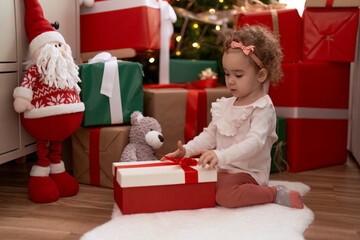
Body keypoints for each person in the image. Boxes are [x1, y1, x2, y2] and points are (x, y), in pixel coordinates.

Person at [163, 25, 303, 209]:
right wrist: (187, 151)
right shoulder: (227, 104)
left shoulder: (262, 107)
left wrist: (221, 155)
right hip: (221, 168)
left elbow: (255, 143)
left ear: (261, 75)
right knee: (191, 186)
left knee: (226, 196)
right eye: (227, 73)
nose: (230, 80)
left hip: (247, 174)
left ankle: (273, 193)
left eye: (238, 75)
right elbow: (210, 134)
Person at [13, 0, 84, 203]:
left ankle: (57, 169)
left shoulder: (66, 69)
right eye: (54, 45)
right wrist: (22, 98)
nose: (59, 50)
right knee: (43, 145)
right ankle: (40, 173)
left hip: (64, 118)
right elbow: (27, 85)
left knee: (57, 144)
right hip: (42, 116)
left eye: (60, 45)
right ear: (39, 49)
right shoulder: (37, 69)